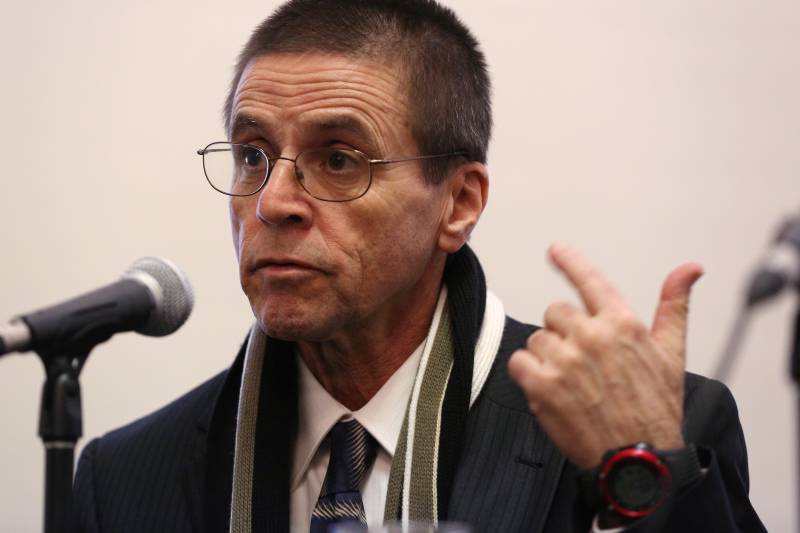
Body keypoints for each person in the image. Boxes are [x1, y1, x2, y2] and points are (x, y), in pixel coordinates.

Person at [71, 1, 765, 531]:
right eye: (253, 154)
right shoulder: (124, 477)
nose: (274, 201)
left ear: (459, 203)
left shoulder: (638, 438)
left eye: (339, 159)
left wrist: (649, 474)